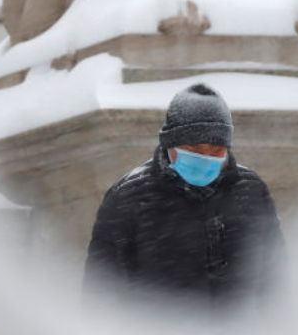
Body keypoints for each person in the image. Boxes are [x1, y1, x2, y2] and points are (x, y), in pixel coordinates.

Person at [83, 83, 285, 315]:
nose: (206, 157)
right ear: (170, 143)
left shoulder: (251, 191)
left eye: (216, 149)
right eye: (193, 147)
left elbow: (277, 282)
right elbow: (101, 294)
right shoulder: (129, 196)